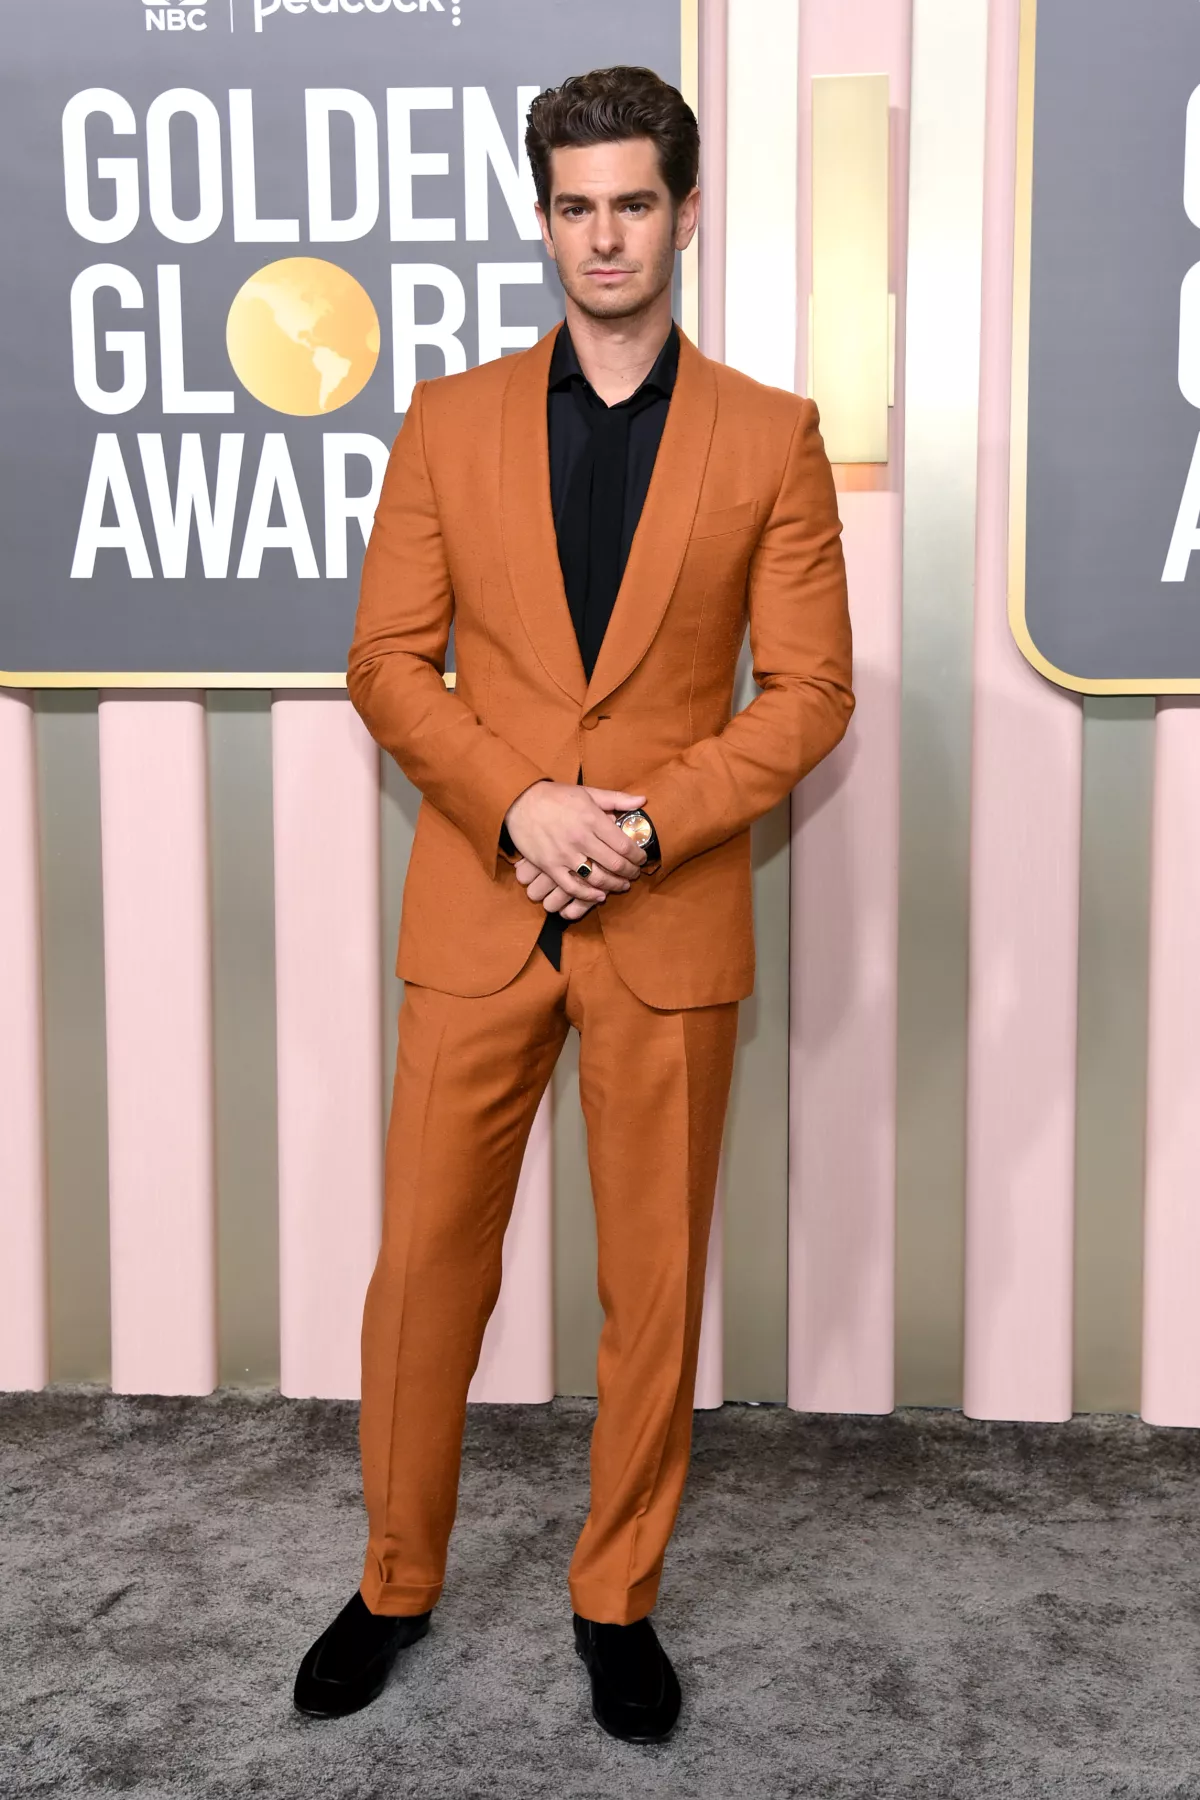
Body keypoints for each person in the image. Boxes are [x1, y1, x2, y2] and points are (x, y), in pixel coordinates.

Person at [293, 63, 853, 1744]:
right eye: (573, 205)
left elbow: (810, 691)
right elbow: (386, 662)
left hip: (665, 921)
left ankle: (618, 1599)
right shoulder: (449, 419)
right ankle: (395, 1580)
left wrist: (643, 826)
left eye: (633, 202)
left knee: (653, 1290)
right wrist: (520, 805)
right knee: (424, 1277)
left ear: (687, 214)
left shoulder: (771, 434)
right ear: (544, 217)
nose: (603, 235)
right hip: (480, 905)